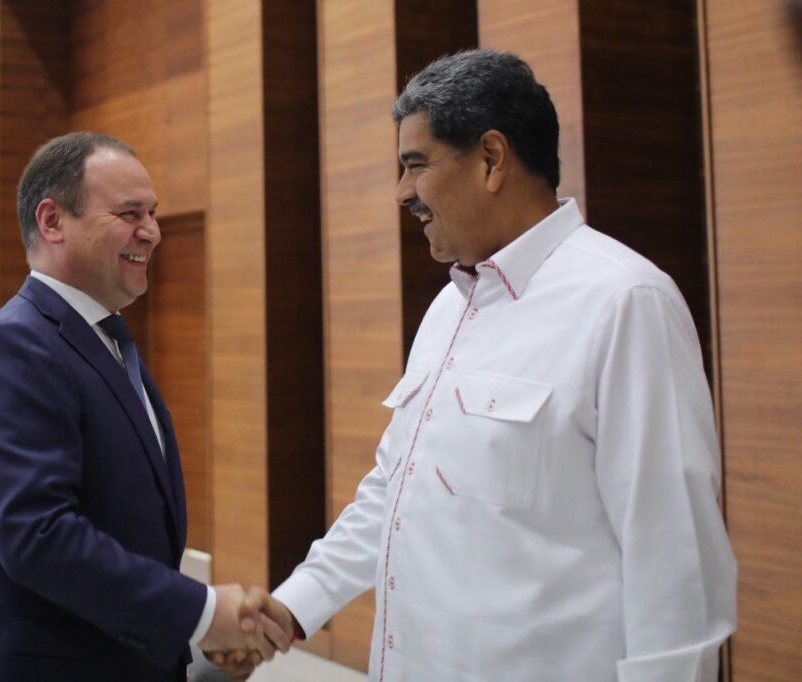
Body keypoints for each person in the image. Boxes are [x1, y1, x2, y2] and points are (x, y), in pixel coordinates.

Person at [233, 49, 737, 681]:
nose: (402, 193)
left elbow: (675, 558)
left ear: (491, 159)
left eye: (415, 165)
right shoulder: (450, 306)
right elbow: (396, 490)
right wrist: (293, 607)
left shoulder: (623, 302)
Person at [0, 131, 291, 681]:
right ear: (52, 222)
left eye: (154, 213)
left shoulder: (106, 340)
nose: (153, 231)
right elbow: (38, 536)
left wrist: (184, 632)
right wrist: (202, 614)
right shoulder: (13, 348)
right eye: (129, 213)